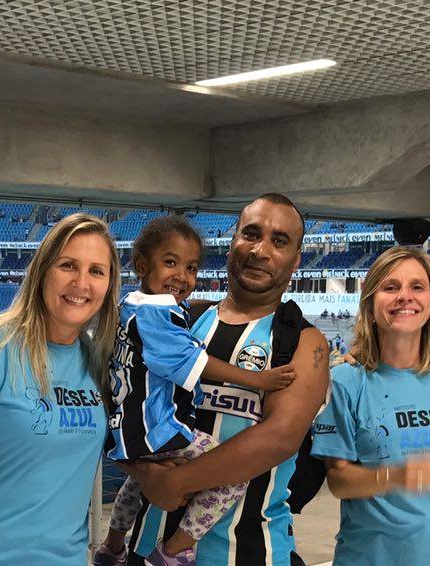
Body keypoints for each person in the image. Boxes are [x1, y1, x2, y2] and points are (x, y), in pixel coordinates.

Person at [124, 193, 330, 566]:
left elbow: (277, 439)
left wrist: (173, 483)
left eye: (279, 241)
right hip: (144, 544)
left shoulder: (302, 341)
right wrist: (140, 472)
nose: (260, 250)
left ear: (296, 260)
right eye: (251, 234)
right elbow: (119, 399)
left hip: (244, 554)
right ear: (233, 241)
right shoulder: (183, 319)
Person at [93, 215, 295, 566]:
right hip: (158, 427)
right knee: (233, 478)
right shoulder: (157, 316)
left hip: (129, 430)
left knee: (136, 486)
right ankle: (173, 551)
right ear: (142, 265)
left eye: (191, 267)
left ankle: (112, 546)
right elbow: (194, 363)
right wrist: (259, 380)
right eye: (170, 263)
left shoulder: (130, 307)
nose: (182, 277)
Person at [0, 213, 118, 566]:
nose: (81, 283)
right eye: (68, 265)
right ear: (43, 270)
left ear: (109, 284)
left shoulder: (98, 361)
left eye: (97, 271)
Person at [312, 246, 430, 565]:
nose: (405, 296)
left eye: (417, 287)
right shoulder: (345, 382)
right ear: (371, 303)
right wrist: (395, 477)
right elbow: (338, 481)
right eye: (391, 287)